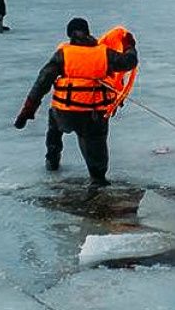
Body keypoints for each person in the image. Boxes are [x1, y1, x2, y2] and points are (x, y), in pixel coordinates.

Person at [13, 17, 138, 186]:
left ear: (69, 35)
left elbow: (42, 81)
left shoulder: (63, 54)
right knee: (95, 147)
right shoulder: (104, 53)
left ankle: (52, 159)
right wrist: (129, 44)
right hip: (93, 115)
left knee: (54, 126)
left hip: (64, 113)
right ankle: (98, 178)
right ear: (88, 32)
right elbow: (129, 62)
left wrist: (27, 110)